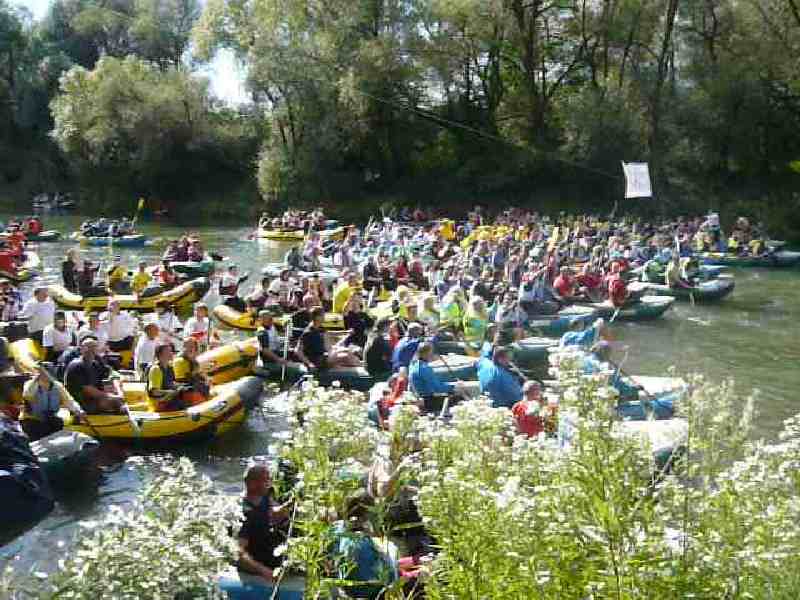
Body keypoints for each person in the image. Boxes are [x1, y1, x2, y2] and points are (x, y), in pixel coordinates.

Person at [237, 464, 290, 582]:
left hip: (281, 552)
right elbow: (239, 553)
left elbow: (275, 509)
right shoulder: (244, 514)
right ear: (250, 483)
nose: (268, 483)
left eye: (268, 479)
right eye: (264, 480)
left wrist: (283, 511)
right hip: (263, 563)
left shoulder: (267, 495)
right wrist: (264, 571)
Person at [20, 364, 85, 441]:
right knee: (42, 428)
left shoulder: (57, 386)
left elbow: (69, 401)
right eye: (42, 373)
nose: (44, 375)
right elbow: (27, 395)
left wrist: (78, 411)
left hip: (49, 418)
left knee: (58, 422)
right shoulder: (30, 384)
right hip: (32, 420)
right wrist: (36, 379)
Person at [64, 336, 124, 414]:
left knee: (116, 398)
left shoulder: (95, 364)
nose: (91, 350)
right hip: (80, 404)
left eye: (94, 347)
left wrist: (119, 391)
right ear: (81, 349)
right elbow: (89, 391)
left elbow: (113, 375)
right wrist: (113, 397)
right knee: (112, 402)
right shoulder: (76, 366)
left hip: (94, 399)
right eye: (88, 347)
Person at [409, 342, 455, 412]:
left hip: (420, 397)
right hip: (428, 401)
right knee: (458, 398)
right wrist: (454, 387)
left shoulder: (413, 365)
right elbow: (437, 388)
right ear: (426, 354)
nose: (432, 355)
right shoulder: (424, 368)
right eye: (431, 353)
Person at [147, 343, 183, 412]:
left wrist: (180, 386)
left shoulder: (170, 368)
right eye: (168, 351)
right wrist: (169, 392)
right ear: (160, 354)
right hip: (159, 404)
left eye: (171, 351)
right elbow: (155, 392)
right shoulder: (156, 369)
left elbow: (170, 383)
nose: (171, 353)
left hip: (168, 401)